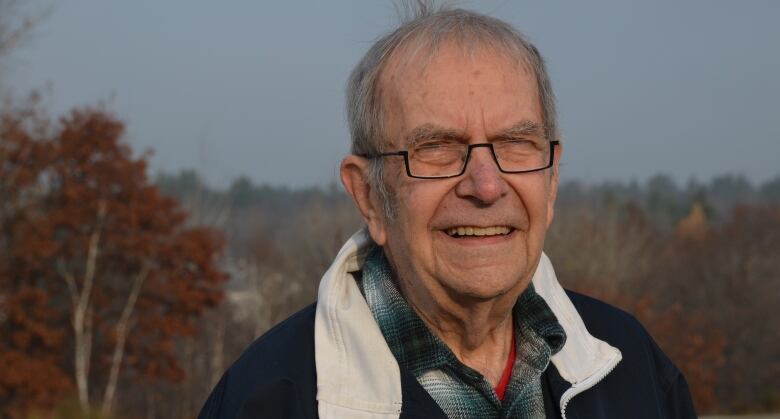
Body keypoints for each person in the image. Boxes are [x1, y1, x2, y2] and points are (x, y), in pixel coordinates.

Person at [198, 4, 697, 419]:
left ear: (551, 181)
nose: (485, 185)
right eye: (436, 148)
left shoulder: (633, 367)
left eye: (516, 143)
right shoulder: (266, 400)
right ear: (369, 195)